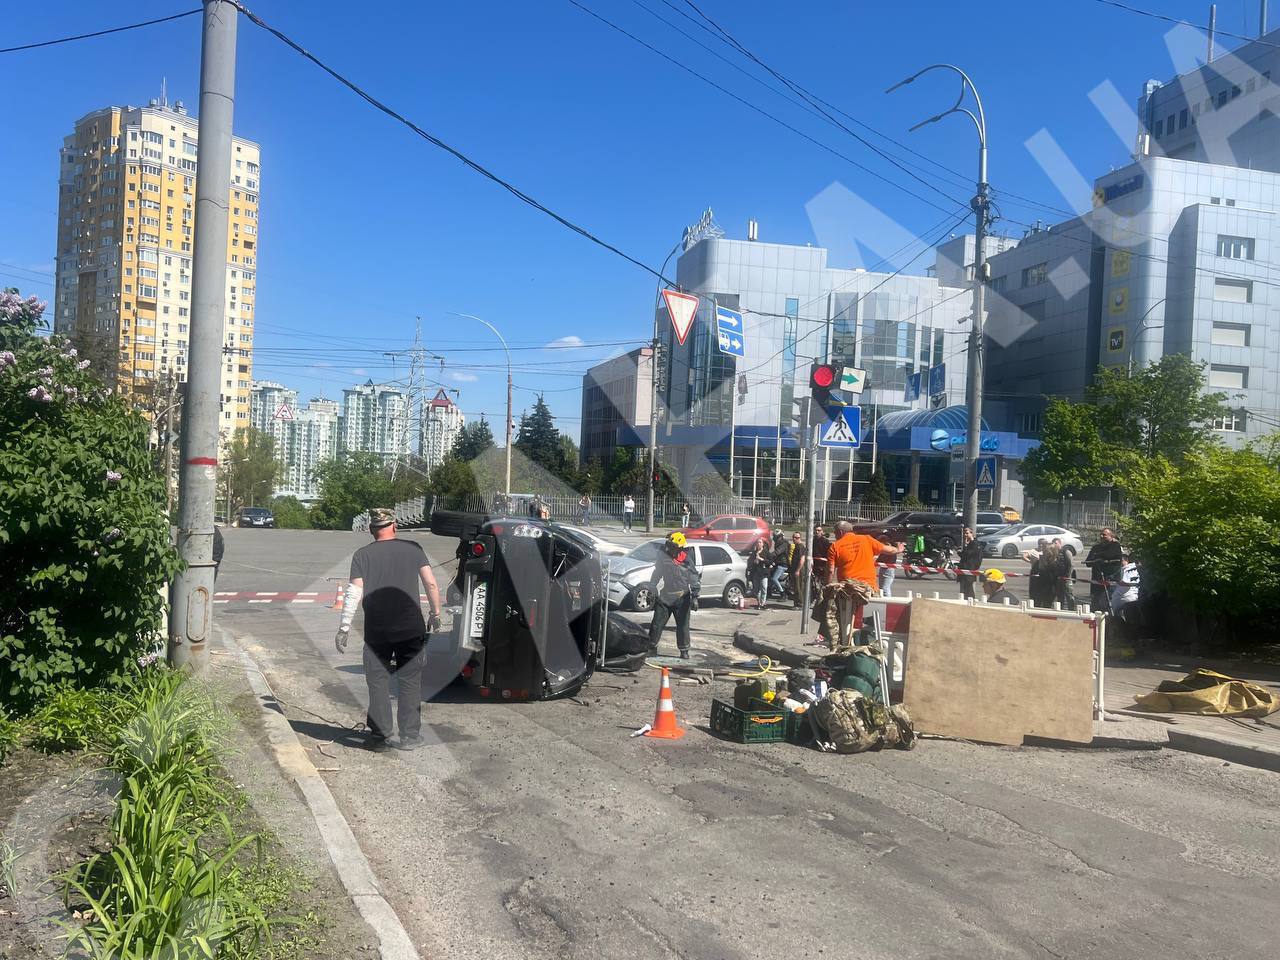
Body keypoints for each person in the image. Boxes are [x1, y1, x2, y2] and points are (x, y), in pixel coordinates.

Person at [335, 508, 443, 751]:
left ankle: (379, 738)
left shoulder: (362, 555)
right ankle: (410, 737)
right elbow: (431, 583)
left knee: (377, 683)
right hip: (411, 628)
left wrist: (344, 627)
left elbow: (353, 593)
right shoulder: (413, 549)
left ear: (371, 529)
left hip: (377, 631)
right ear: (394, 526)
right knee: (410, 681)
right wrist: (435, 614)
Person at [817, 520, 905, 647]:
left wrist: (827, 587)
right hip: (868, 590)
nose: (835, 536)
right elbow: (888, 550)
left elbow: (830, 570)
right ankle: (868, 643)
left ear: (840, 532)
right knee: (869, 621)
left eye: (835, 533)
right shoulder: (866, 539)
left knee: (839, 616)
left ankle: (840, 642)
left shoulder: (835, 546)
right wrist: (898, 549)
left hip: (847, 592)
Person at [648, 532, 700, 658]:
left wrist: (695, 596)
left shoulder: (686, 560)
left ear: (679, 548)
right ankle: (651, 647)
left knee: (683, 626)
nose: (669, 548)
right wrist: (652, 587)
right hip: (666, 595)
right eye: (669, 545)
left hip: (682, 597)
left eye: (672, 546)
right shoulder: (664, 558)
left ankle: (684, 650)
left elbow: (694, 578)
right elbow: (657, 573)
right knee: (657, 623)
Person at [1085, 527, 1124, 611]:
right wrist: (1096, 559)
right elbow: (1088, 562)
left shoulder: (1115, 546)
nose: (1101, 536)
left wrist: (1098, 556)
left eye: (1104, 535)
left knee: (1107, 604)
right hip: (1097, 581)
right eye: (1101, 534)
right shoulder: (1096, 547)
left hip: (1110, 581)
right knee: (1095, 605)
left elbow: (1111, 555)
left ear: (1111, 536)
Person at [956, 527, 983, 600]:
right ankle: (965, 600)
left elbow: (967, 555)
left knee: (969, 589)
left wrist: (961, 550)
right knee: (964, 589)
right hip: (965, 569)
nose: (965, 535)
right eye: (964, 533)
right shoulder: (970, 543)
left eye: (967, 533)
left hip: (969, 569)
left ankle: (970, 601)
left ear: (972, 534)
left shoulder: (975, 544)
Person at [747, 538, 773, 608]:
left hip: (764, 573)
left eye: (760, 542)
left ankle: (763, 603)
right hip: (756, 573)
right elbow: (750, 562)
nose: (759, 544)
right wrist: (754, 562)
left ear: (763, 544)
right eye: (757, 543)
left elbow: (770, 561)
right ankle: (759, 603)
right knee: (757, 590)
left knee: (764, 588)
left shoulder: (766, 552)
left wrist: (762, 559)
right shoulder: (754, 553)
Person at [786, 531, 808, 609]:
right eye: (794, 537)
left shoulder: (800, 547)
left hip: (799, 570)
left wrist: (797, 570)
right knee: (795, 587)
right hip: (795, 569)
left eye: (797, 537)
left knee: (799, 587)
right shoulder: (796, 546)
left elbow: (802, 559)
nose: (795, 539)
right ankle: (797, 603)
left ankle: (800, 604)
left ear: (800, 538)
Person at [768, 531, 789, 600]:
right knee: (769, 574)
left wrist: (769, 555)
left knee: (774, 579)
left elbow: (777, 552)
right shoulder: (778, 543)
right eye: (774, 536)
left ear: (780, 537)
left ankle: (783, 594)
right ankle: (769, 592)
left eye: (775, 537)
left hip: (783, 564)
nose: (774, 538)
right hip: (778, 563)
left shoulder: (784, 544)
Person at [811, 524, 832, 589]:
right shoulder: (812, 540)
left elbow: (829, 553)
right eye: (816, 530)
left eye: (819, 530)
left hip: (823, 565)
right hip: (814, 564)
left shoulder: (825, 541)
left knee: (823, 584)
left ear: (822, 531)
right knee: (813, 583)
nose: (817, 532)